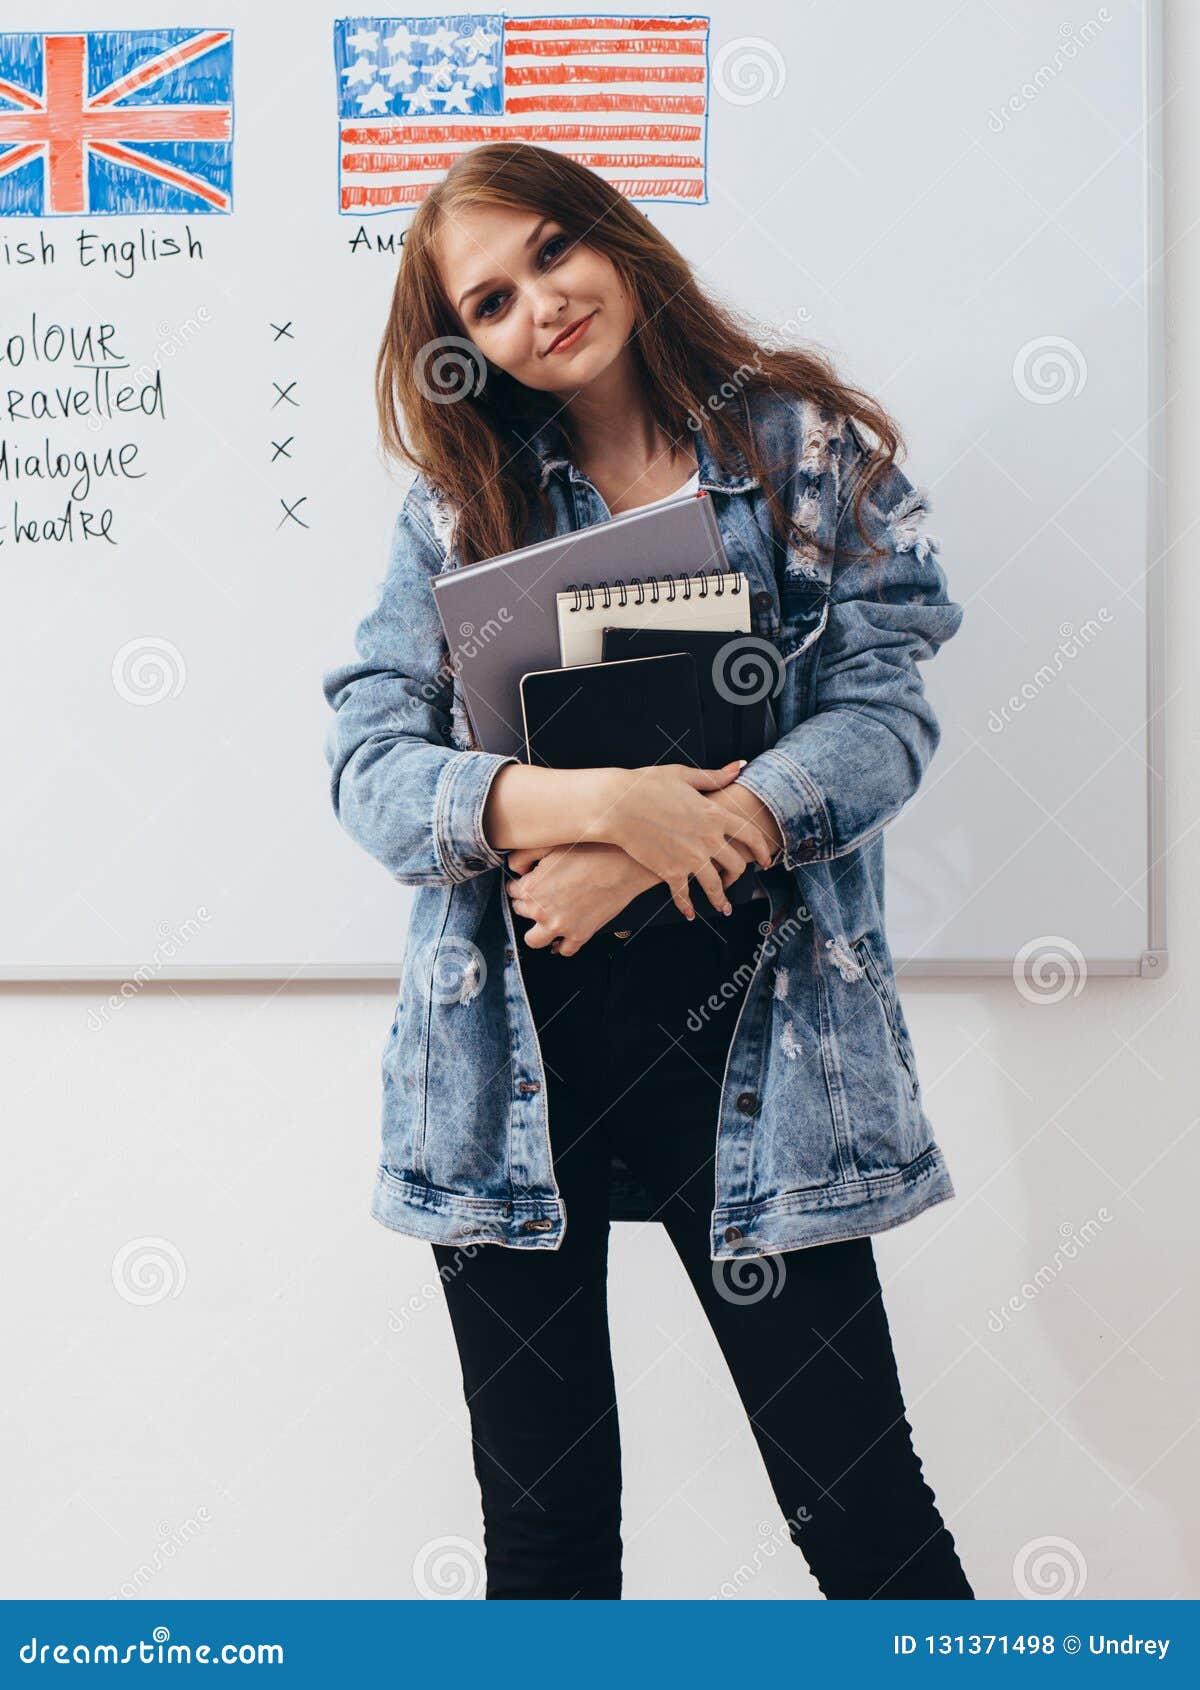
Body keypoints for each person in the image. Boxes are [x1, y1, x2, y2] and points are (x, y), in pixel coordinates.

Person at [322, 142, 974, 1600]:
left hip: (766, 1047)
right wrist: (599, 798)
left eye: (554, 252)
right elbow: (370, 767)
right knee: (548, 1552)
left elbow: (881, 714)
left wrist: (659, 847)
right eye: (488, 302)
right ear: (460, 346)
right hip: (512, 1072)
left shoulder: (799, 450)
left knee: (866, 1519)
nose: (538, 307)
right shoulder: (454, 507)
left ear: (613, 239)